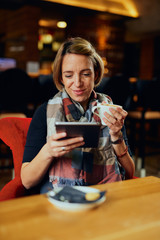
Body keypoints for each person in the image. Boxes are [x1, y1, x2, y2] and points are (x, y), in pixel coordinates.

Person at [21, 37, 135, 194]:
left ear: (95, 74)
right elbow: (26, 181)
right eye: (69, 75)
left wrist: (116, 136)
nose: (78, 83)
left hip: (105, 190)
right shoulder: (45, 112)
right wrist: (48, 151)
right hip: (61, 193)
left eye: (86, 74)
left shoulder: (108, 108)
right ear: (61, 77)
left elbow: (130, 171)